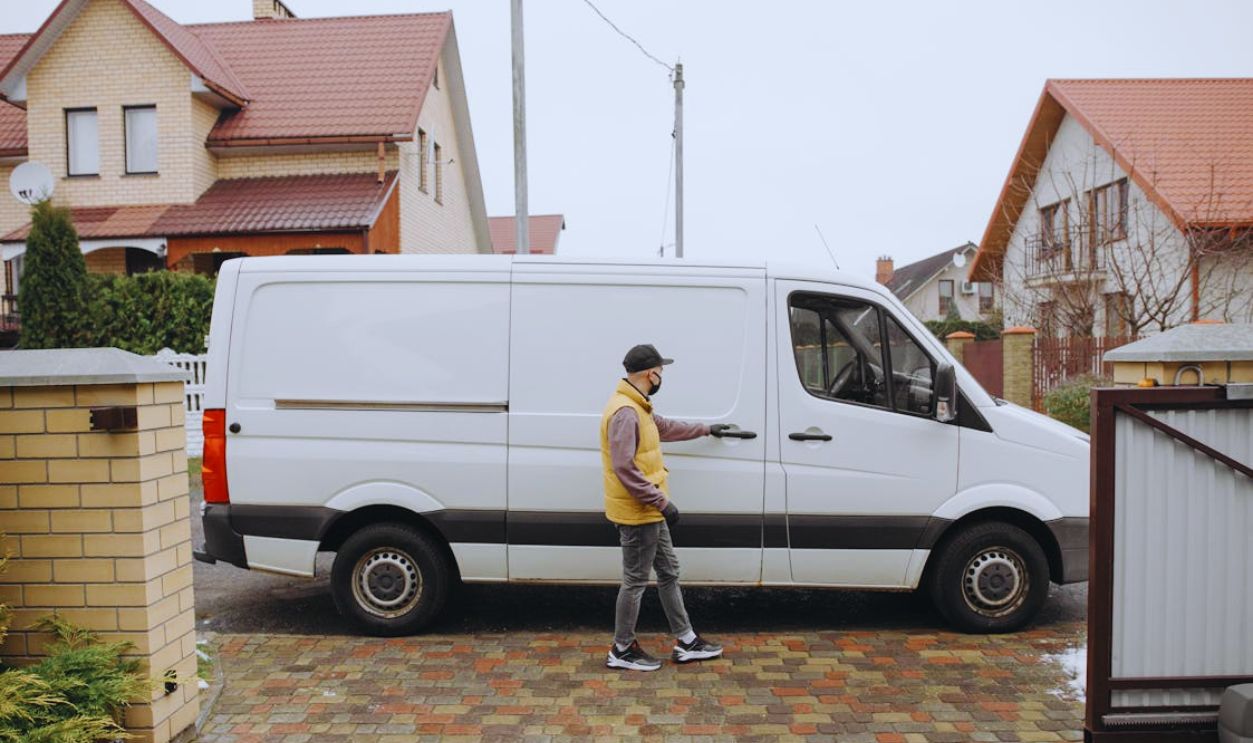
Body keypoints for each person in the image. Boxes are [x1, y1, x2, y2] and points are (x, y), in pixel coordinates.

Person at [601, 343, 730, 671]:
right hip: (638, 511)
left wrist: (705, 429)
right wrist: (662, 502)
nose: (661, 377)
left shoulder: (638, 405)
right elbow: (624, 468)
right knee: (635, 581)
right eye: (660, 371)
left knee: (669, 571)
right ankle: (621, 648)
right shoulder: (625, 412)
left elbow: (665, 428)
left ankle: (687, 640)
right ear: (650, 374)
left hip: (648, 509)